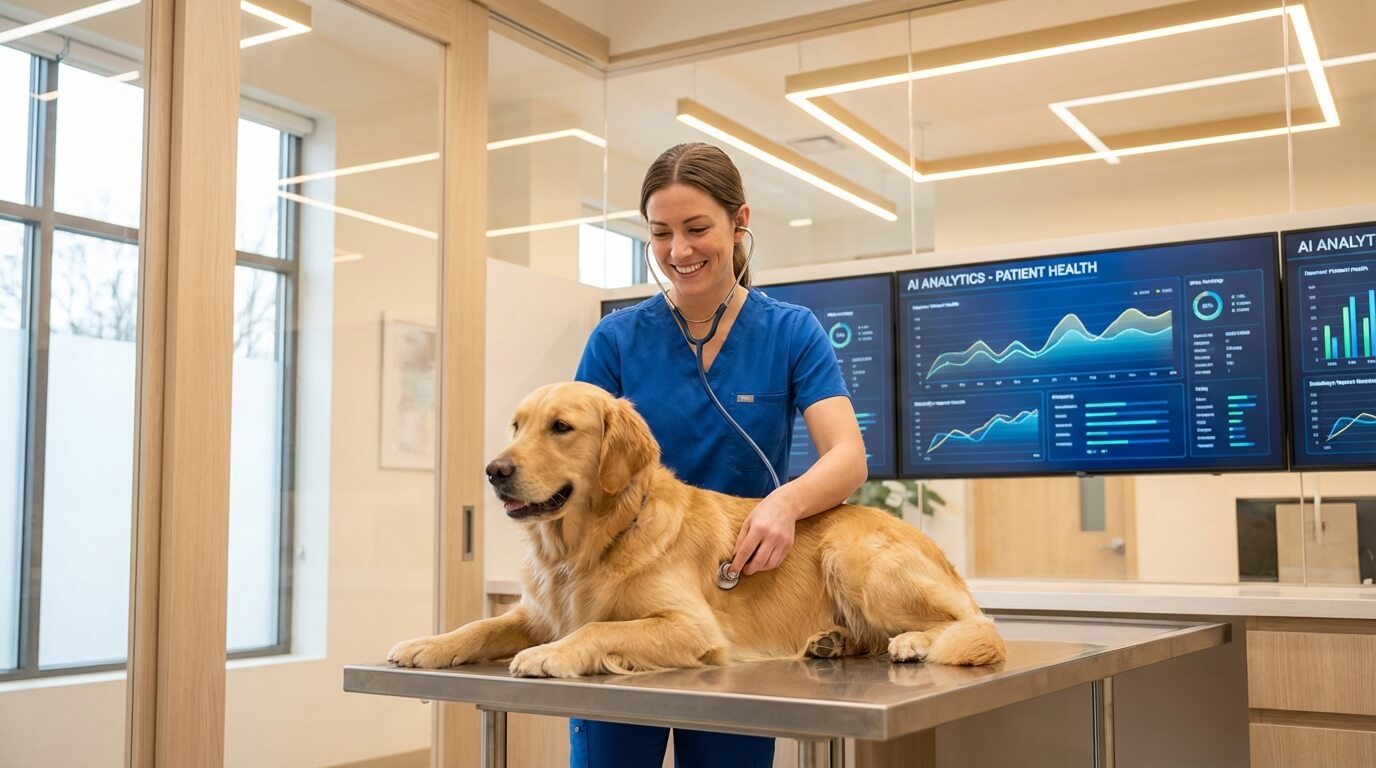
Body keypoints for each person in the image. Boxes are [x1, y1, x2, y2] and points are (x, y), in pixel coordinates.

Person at [572, 142, 868, 768]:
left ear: (740, 223)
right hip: (625, 600)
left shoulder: (790, 331)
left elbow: (848, 458)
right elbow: (574, 464)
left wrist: (784, 505)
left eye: (696, 228)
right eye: (661, 233)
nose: (679, 250)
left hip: (739, 598)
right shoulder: (616, 340)